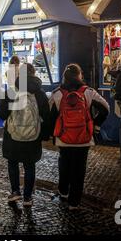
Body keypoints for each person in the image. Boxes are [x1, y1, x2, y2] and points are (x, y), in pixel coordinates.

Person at [49, 64, 109, 210]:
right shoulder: (88, 92)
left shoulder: (57, 93)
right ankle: (74, 202)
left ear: (64, 76)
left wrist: (54, 131)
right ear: (79, 75)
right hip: (84, 139)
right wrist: (95, 125)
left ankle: (63, 191)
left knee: (64, 164)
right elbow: (105, 108)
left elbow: (49, 115)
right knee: (79, 169)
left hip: (64, 139)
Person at [0, 64, 50, 207]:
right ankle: (27, 197)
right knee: (29, 165)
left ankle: (15, 191)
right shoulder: (39, 93)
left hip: (12, 135)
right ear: (33, 74)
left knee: (13, 163)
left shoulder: (12, 91)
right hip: (33, 136)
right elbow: (47, 115)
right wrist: (44, 135)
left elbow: (1, 114)